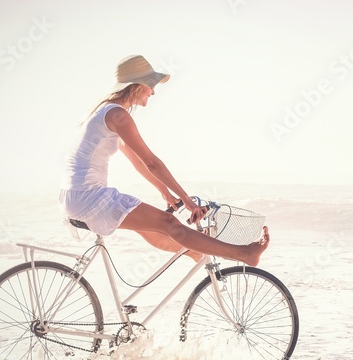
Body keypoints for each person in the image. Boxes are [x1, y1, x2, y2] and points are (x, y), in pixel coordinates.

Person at [59, 55, 269, 266]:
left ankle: (195, 253)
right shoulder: (117, 115)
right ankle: (244, 254)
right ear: (138, 85)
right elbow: (152, 162)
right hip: (89, 197)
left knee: (154, 229)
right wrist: (186, 200)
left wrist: (166, 193)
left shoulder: (105, 112)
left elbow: (138, 163)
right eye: (151, 85)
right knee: (169, 223)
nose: (153, 91)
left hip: (75, 197)